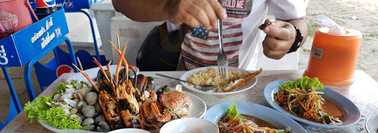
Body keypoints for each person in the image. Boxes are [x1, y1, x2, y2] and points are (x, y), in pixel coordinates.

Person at [112, 0, 308, 70]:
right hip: (175, 74)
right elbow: (122, 3)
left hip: (239, 79)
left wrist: (292, 37)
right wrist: (168, 5)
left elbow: (296, 20)